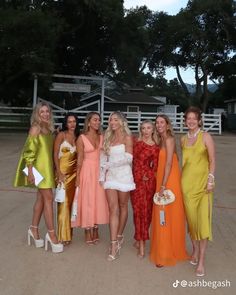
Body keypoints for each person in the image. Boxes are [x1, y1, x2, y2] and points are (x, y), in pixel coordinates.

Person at [14, 102, 63, 253]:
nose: (45, 114)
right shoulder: (35, 128)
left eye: (47, 111)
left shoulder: (48, 129)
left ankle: (33, 230)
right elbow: (29, 151)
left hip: (46, 170)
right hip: (37, 170)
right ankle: (52, 235)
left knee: (41, 199)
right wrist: (29, 171)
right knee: (48, 199)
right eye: (42, 112)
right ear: (37, 113)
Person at [150, 114, 189, 267]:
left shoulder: (169, 139)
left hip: (168, 181)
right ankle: (163, 249)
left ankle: (165, 254)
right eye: (157, 122)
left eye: (162, 122)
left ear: (167, 125)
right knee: (164, 215)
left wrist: (163, 186)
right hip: (162, 179)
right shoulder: (159, 140)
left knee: (165, 214)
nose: (159, 125)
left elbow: (168, 164)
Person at [181, 106, 215, 277]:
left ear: (200, 120)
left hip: (203, 187)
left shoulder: (206, 136)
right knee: (192, 223)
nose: (191, 121)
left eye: (194, 118)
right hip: (186, 187)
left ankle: (201, 260)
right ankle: (194, 249)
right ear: (185, 121)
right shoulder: (182, 140)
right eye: (188, 118)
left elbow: (212, 160)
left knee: (203, 224)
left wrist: (211, 179)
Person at [100, 111, 135, 261]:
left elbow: (129, 158)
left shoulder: (127, 137)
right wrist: (102, 175)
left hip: (124, 176)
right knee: (112, 209)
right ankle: (114, 243)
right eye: (110, 120)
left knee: (123, 207)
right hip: (111, 177)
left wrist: (111, 164)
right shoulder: (108, 137)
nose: (112, 122)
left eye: (115, 119)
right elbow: (103, 158)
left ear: (121, 121)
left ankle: (120, 235)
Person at [71, 112, 109, 245]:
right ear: (88, 122)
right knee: (87, 200)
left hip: (99, 172)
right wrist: (77, 177)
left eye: (99, 120)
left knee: (99, 200)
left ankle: (96, 227)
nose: (97, 122)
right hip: (86, 171)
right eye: (95, 120)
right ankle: (87, 229)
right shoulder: (81, 138)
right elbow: (79, 159)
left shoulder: (102, 137)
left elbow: (106, 156)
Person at [130, 120, 160, 258]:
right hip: (135, 182)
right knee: (138, 213)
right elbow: (132, 161)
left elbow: (156, 167)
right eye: (143, 128)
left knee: (147, 213)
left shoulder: (156, 147)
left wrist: (148, 175)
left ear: (153, 130)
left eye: (148, 128)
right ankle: (140, 242)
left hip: (148, 184)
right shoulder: (136, 143)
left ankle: (141, 239)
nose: (146, 131)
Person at [53, 113, 80, 245]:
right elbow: (55, 154)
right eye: (69, 122)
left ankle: (69, 233)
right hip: (62, 174)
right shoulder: (61, 135)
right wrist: (58, 172)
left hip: (74, 175)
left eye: (74, 121)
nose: (72, 124)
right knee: (63, 204)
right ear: (65, 123)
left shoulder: (77, 136)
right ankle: (63, 236)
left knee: (71, 205)